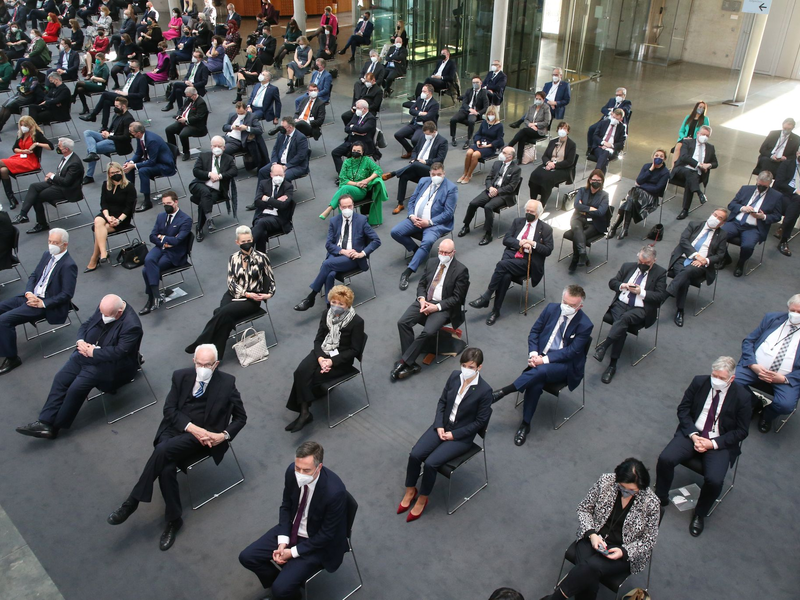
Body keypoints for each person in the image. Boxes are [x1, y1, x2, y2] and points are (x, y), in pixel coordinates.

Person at [106, 344, 247, 551]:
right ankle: (174, 519)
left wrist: (223, 436)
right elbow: (169, 410)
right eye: (199, 363)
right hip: (177, 429)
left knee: (162, 452)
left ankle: (132, 502)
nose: (202, 367)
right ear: (194, 361)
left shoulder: (227, 383)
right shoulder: (180, 376)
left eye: (207, 364)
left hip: (204, 438)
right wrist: (191, 428)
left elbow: (241, 417)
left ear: (215, 364)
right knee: (166, 467)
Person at [15, 294, 143, 438]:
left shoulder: (132, 326)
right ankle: (44, 421)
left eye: (106, 315)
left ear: (119, 313)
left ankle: (55, 426)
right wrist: (80, 341)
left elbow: (119, 352)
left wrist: (93, 352)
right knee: (61, 379)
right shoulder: (104, 308)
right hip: (84, 353)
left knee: (76, 388)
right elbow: (87, 324)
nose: (103, 317)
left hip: (109, 364)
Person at [654, 357, 751, 537]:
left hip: (719, 443)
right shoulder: (700, 382)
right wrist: (693, 434)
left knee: (714, 480)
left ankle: (700, 513)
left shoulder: (743, 397)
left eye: (721, 378)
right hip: (693, 434)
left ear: (732, 379)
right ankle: (660, 495)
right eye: (714, 375)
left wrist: (712, 443)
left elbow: (741, 431)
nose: (716, 380)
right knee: (665, 459)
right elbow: (683, 409)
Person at [239, 442, 348, 598]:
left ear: (319, 467)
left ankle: (284, 591)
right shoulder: (292, 471)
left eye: (306, 470)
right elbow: (286, 506)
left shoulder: (335, 492)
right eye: (298, 468)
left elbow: (326, 535)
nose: (300, 474)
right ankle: (286, 589)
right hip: (292, 530)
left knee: (280, 589)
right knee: (247, 557)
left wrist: (292, 552)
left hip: (316, 543)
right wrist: (283, 540)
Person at [540, 458, 659, 600]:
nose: (626, 492)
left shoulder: (651, 503)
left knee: (590, 568)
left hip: (623, 550)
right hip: (593, 537)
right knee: (589, 577)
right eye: (622, 487)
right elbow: (584, 509)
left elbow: (648, 540)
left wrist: (624, 551)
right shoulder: (606, 482)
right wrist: (592, 534)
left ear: (641, 486)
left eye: (632, 491)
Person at [491, 285, 592, 445]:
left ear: (580, 306)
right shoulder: (551, 309)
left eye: (571, 305)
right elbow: (535, 332)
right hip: (541, 359)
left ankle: (505, 391)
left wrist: (542, 360)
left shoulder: (585, 325)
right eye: (564, 302)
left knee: (539, 370)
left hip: (565, 365)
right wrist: (533, 354)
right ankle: (526, 424)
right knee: (536, 381)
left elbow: (571, 352)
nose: (566, 307)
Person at [400, 347, 492, 521]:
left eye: (471, 367)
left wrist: (454, 435)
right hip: (443, 426)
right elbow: (442, 402)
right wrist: (439, 425)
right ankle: (411, 489)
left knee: (430, 464)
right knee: (415, 455)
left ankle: (423, 498)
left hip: (461, 436)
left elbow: (479, 423)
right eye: (464, 365)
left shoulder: (484, 391)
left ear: (479, 367)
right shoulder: (454, 377)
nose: (466, 369)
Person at [185, 226, 274, 359]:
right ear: (237, 242)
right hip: (233, 294)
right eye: (243, 241)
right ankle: (217, 356)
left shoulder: (262, 258)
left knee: (221, 312)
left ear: (253, 239)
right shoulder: (233, 258)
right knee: (224, 316)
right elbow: (231, 282)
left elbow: (271, 279)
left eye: (249, 240)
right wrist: (245, 293)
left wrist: (269, 294)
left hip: (252, 300)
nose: (247, 243)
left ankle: (202, 341)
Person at [287, 287, 365, 431]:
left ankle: (304, 413)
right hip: (323, 351)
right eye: (334, 302)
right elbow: (318, 340)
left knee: (310, 376)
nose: (336, 306)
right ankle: (304, 412)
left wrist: (331, 361)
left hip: (341, 361)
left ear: (348, 305)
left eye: (340, 304)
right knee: (300, 372)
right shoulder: (326, 314)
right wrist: (321, 358)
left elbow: (355, 350)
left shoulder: (357, 322)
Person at [391, 239, 469, 380]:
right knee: (402, 322)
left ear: (453, 253)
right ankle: (410, 362)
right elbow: (422, 284)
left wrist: (436, 307)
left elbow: (457, 298)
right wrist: (421, 299)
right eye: (440, 251)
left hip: (443, 307)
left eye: (446, 252)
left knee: (427, 332)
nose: (442, 254)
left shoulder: (461, 270)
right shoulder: (432, 262)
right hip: (425, 301)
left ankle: (404, 362)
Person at [0, 227, 75, 372]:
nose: (51, 244)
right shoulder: (47, 254)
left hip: (45, 304)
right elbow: (34, 276)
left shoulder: (69, 265)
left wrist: (42, 303)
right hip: (31, 296)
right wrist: (28, 292)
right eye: (49, 241)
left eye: (55, 242)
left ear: (65, 244)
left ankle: (12, 358)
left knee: (3, 320)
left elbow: (66, 294)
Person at [468, 200, 553, 325]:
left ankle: (487, 296)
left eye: (532, 212)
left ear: (539, 213)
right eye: (527, 211)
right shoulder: (518, 222)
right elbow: (506, 239)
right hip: (512, 255)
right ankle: (495, 311)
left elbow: (548, 250)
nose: (528, 213)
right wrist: (520, 242)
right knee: (505, 276)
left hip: (528, 261)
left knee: (502, 266)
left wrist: (533, 244)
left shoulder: (546, 229)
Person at [593, 246, 668, 385]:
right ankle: (612, 365)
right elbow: (612, 282)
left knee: (624, 319)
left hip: (640, 308)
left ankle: (605, 346)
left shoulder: (660, 273)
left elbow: (660, 296)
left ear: (654, 261)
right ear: (638, 257)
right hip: (620, 304)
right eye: (640, 261)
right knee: (621, 328)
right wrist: (623, 285)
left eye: (647, 264)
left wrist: (642, 292)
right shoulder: (628, 266)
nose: (643, 265)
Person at [294, 195, 381, 309]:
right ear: (340, 207)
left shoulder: (361, 220)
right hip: (338, 253)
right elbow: (329, 245)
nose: (347, 209)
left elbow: (376, 240)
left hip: (353, 257)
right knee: (330, 274)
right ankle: (329, 306)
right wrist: (342, 251)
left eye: (350, 206)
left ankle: (311, 297)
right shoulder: (334, 221)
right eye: (344, 207)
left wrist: (362, 253)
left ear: (353, 205)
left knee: (326, 264)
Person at [735, 294, 800, 433]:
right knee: (730, 380)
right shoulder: (772, 318)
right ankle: (754, 402)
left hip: (785, 379)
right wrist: (753, 364)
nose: (795, 314)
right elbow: (749, 341)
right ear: (788, 308)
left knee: (785, 405)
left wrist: (783, 378)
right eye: (793, 310)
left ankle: (767, 415)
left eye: (799, 312)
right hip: (754, 368)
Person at [392, 163, 458, 291]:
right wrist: (411, 216)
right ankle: (417, 251)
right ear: (430, 174)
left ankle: (408, 272)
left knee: (427, 241)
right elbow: (412, 200)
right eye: (433, 174)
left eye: (439, 174)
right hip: (415, 219)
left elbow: (448, 213)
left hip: (434, 224)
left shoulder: (451, 188)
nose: (436, 176)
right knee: (395, 232)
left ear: (444, 173)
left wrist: (428, 222)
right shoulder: (423, 181)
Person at [665, 209, 728, 327]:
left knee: (687, 272)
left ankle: (668, 293)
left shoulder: (722, 235)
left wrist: (705, 260)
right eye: (714, 214)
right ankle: (680, 310)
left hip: (701, 265)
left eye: (719, 218)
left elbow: (720, 255)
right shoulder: (694, 224)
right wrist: (696, 256)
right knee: (685, 279)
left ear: (722, 223)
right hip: (682, 258)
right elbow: (683, 241)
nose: (715, 218)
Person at [11, 138, 83, 234]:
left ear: (66, 149)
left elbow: (66, 182)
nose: (57, 147)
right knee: (33, 186)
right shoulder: (66, 157)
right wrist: (51, 178)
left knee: (37, 197)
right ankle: (23, 215)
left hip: (67, 190)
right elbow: (61, 174)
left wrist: (52, 176)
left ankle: (42, 224)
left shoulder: (74, 163)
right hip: (58, 183)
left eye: (59, 146)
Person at [720, 172, 783, 277]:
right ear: (757, 180)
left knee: (748, 246)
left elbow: (777, 216)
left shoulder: (776, 196)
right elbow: (731, 205)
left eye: (764, 186)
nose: (761, 188)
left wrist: (763, 217)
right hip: (736, 222)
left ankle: (741, 264)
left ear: (770, 183)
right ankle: (725, 258)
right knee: (718, 236)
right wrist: (742, 208)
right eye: (759, 185)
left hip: (754, 228)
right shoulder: (745, 189)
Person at [139, 191, 191, 315]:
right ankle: (156, 294)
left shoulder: (185, 219)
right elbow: (152, 236)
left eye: (169, 203)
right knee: (148, 260)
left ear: (176, 202)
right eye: (164, 204)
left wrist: (162, 237)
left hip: (174, 253)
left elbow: (178, 240)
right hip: (160, 247)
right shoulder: (161, 216)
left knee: (146, 270)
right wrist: (164, 241)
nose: (166, 206)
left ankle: (151, 298)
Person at [458, 146, 521, 245]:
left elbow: (511, 187)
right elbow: (489, 178)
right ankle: (466, 226)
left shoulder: (516, 169)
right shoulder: (497, 164)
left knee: (488, 207)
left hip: (504, 195)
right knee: (473, 203)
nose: (501, 153)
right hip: (491, 190)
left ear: (510, 156)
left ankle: (488, 234)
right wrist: (490, 188)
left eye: (504, 152)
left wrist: (497, 191)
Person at [383, 121, 448, 215]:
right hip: (416, 166)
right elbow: (415, 150)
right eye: (425, 134)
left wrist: (425, 161)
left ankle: (393, 173)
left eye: (428, 134)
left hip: (430, 169)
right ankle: (400, 203)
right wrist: (413, 158)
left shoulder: (442, 141)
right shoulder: (423, 136)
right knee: (404, 175)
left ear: (434, 131)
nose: (426, 136)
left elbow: (440, 159)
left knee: (415, 164)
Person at [319, 142, 388, 225]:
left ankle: (330, 209)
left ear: (362, 152)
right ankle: (345, 220)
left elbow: (378, 170)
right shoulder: (347, 162)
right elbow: (343, 179)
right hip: (350, 188)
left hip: (361, 191)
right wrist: (356, 184)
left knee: (344, 189)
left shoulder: (366, 160)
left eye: (358, 151)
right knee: (344, 192)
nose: (355, 152)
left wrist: (366, 180)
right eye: (354, 150)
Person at [84, 162, 137, 272]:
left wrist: (118, 220)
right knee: (98, 221)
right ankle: (103, 252)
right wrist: (108, 217)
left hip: (122, 217)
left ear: (121, 172)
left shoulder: (129, 186)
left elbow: (128, 208)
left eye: (117, 172)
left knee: (99, 229)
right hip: (108, 214)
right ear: (108, 174)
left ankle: (94, 258)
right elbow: (103, 203)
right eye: (112, 172)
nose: (115, 174)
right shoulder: (105, 185)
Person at [607, 149, 670, 240]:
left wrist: (642, 186)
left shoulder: (665, 172)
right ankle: (624, 229)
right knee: (630, 201)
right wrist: (650, 170)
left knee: (629, 201)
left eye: (661, 156)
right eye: (656, 155)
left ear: (664, 159)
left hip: (650, 197)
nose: (658, 158)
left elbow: (657, 189)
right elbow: (639, 180)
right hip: (637, 192)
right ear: (653, 157)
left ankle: (614, 227)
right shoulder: (647, 166)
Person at [188, 136, 237, 242]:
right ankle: (209, 219)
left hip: (216, 190)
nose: (217, 148)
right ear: (211, 147)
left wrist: (220, 176)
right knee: (205, 192)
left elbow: (234, 171)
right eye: (215, 146)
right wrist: (209, 174)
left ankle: (199, 228)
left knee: (203, 202)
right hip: (199, 185)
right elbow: (196, 171)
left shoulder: (228, 159)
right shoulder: (203, 156)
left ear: (224, 148)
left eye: (219, 146)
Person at [0, 116, 53, 209]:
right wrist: (23, 151)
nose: (22, 127)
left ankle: (11, 198)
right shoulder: (21, 134)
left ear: (30, 125)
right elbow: (14, 148)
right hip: (20, 157)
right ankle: (11, 198)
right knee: (3, 170)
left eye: (24, 125)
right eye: (21, 125)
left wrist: (37, 144)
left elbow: (51, 146)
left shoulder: (36, 134)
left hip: (30, 161)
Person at [80, 60, 149, 129]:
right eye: (129, 66)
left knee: (105, 94)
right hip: (123, 96)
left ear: (137, 67)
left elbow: (141, 94)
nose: (129, 67)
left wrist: (127, 94)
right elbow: (127, 87)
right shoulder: (129, 75)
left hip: (131, 100)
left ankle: (93, 115)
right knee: (106, 102)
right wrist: (121, 92)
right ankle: (104, 126)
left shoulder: (142, 78)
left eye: (132, 67)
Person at [124, 123, 177, 213]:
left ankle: (147, 202)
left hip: (165, 165)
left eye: (131, 132)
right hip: (153, 160)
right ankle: (131, 193)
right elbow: (138, 153)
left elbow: (152, 162)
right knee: (128, 164)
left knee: (143, 171)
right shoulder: (140, 137)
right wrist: (131, 163)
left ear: (138, 132)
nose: (130, 133)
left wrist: (135, 166)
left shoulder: (152, 140)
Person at [81, 96, 134, 184]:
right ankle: (93, 154)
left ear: (123, 106)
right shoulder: (117, 115)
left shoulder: (128, 118)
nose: (115, 108)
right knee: (87, 132)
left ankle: (89, 175)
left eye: (117, 106)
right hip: (110, 137)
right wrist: (106, 132)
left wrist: (109, 136)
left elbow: (126, 137)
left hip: (117, 143)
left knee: (91, 148)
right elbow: (111, 127)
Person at [671, 125, 718, 219]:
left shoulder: (710, 148)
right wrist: (699, 164)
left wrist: (708, 165)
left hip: (696, 174)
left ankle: (685, 210)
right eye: (703, 134)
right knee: (690, 173)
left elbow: (715, 163)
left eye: (707, 136)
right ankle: (699, 193)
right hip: (682, 169)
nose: (705, 137)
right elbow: (684, 157)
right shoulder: (688, 142)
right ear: (698, 133)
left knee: (691, 178)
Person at [568, 170, 610, 273]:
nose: (596, 182)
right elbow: (577, 205)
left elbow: (601, 212)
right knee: (577, 229)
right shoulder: (582, 190)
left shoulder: (604, 195)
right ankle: (583, 254)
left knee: (579, 235)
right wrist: (591, 209)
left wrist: (585, 209)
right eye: (594, 179)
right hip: (578, 218)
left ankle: (575, 259)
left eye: (599, 180)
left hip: (595, 222)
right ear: (590, 180)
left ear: (602, 181)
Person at [527, 121, 576, 207]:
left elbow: (569, 161)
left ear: (568, 131)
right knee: (535, 174)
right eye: (560, 128)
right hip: (549, 164)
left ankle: (542, 203)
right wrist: (548, 162)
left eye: (564, 128)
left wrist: (554, 165)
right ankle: (533, 200)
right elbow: (545, 156)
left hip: (563, 168)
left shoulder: (572, 145)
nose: (562, 130)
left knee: (547, 178)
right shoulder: (553, 142)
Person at [251, 163, 295, 253]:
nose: (278, 177)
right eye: (276, 175)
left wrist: (267, 199)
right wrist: (275, 202)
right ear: (271, 175)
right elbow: (257, 202)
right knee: (262, 231)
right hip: (262, 215)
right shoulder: (263, 183)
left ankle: (247, 249)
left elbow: (283, 206)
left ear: (284, 175)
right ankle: (261, 259)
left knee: (261, 224)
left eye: (280, 175)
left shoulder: (288, 186)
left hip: (278, 218)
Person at [457, 104, 504, 185]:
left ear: (495, 115)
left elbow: (499, 140)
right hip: (481, 143)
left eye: (492, 114)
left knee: (475, 155)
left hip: (490, 146)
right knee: (469, 153)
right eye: (489, 114)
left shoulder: (499, 126)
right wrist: (478, 141)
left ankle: (469, 175)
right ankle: (465, 173)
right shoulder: (485, 122)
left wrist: (489, 145)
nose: (490, 116)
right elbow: (478, 133)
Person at [256, 116, 309, 184]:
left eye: (283, 127)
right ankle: (262, 193)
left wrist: (286, 166)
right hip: (279, 163)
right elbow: (275, 149)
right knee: (262, 172)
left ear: (290, 127)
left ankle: (282, 193)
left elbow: (300, 156)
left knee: (284, 176)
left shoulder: (301, 138)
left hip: (295, 165)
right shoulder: (281, 135)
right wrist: (274, 163)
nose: (281, 129)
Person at [332, 100, 377, 173]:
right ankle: (342, 174)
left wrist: (352, 127)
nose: (356, 109)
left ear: (364, 109)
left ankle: (354, 174)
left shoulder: (371, 118)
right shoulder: (356, 115)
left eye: (358, 108)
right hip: (351, 141)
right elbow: (346, 128)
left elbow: (362, 130)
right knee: (335, 153)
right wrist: (355, 131)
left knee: (354, 156)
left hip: (363, 143)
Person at [395, 84, 440, 158]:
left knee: (414, 139)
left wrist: (417, 113)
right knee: (398, 135)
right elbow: (411, 110)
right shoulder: (419, 99)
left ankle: (418, 154)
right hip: (414, 123)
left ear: (430, 93)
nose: (422, 93)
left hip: (423, 126)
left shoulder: (434, 104)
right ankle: (410, 150)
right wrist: (421, 113)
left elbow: (428, 117)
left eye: (424, 91)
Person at [166, 86, 209, 162]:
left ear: (194, 95)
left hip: (196, 126)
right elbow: (181, 109)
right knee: (169, 130)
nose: (187, 98)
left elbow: (199, 118)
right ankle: (174, 150)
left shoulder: (201, 103)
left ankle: (186, 153)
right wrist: (178, 116)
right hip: (183, 121)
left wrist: (186, 120)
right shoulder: (188, 99)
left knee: (183, 135)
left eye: (189, 96)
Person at [0, 62, 43, 132]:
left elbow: (30, 89)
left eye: (23, 68)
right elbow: (18, 86)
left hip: (27, 98)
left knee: (8, 106)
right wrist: (23, 88)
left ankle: (1, 124)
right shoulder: (24, 77)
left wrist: (23, 88)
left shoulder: (34, 79)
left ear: (27, 68)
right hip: (20, 94)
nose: (22, 70)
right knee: (4, 105)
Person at [450, 75, 489, 149]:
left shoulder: (483, 93)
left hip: (475, 112)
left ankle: (468, 139)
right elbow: (464, 103)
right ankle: (453, 137)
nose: (475, 84)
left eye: (476, 82)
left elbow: (486, 107)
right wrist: (469, 109)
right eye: (473, 82)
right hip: (466, 110)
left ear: (480, 83)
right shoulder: (469, 91)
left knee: (471, 121)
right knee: (453, 119)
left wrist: (477, 113)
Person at [774, 146, 800, 256]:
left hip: (797, 199)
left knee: (798, 202)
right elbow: (779, 183)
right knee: (797, 205)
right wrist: (795, 190)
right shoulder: (787, 164)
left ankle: (783, 227)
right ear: (797, 153)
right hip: (784, 194)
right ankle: (784, 239)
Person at [507, 91, 550, 155]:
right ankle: (519, 158)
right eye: (536, 98)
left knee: (523, 131)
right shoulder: (531, 107)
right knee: (523, 137)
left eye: (539, 99)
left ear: (543, 99)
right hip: (530, 129)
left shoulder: (546, 108)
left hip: (539, 130)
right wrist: (530, 125)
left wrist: (535, 124)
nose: (537, 100)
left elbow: (546, 122)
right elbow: (526, 119)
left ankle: (509, 145)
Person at [586, 108, 626, 174]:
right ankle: (598, 175)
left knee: (606, 152)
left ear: (621, 119)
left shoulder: (622, 128)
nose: (614, 120)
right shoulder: (603, 123)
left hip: (611, 149)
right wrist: (603, 143)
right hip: (599, 147)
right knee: (604, 157)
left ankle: (596, 173)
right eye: (614, 117)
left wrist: (610, 145)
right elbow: (595, 136)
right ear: (612, 114)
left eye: (617, 119)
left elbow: (621, 144)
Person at [671, 100, 709, 168]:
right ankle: (674, 168)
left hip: (695, 140)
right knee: (678, 147)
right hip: (685, 138)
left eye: (703, 108)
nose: (701, 109)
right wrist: (684, 137)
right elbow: (681, 131)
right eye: (700, 107)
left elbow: (706, 132)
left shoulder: (705, 119)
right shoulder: (688, 117)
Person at [73, 52, 110, 117]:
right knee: (79, 89)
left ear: (103, 59)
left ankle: (73, 97)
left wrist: (95, 78)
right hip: (93, 82)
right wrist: (94, 78)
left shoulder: (105, 68)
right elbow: (95, 74)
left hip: (100, 86)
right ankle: (85, 107)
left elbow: (104, 80)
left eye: (98, 59)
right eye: (96, 59)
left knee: (79, 83)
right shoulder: (97, 65)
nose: (96, 60)